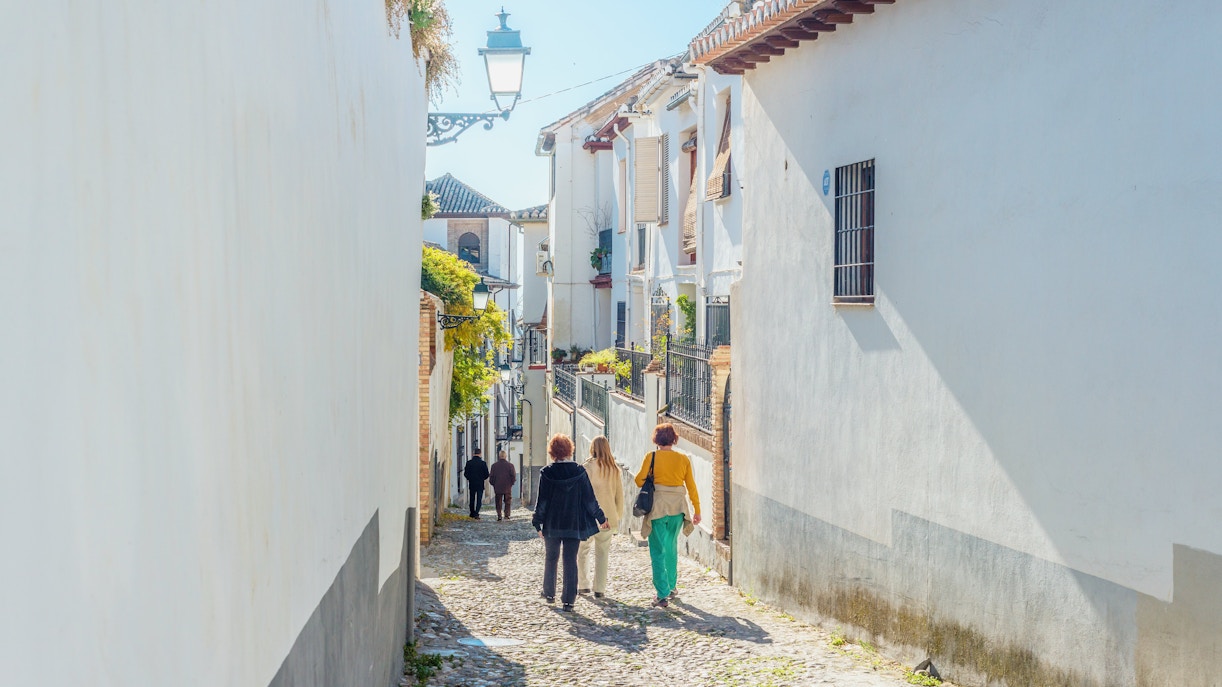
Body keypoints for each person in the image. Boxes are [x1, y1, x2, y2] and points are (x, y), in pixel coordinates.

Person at [532, 434, 609, 612]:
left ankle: (549, 592)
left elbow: (542, 501)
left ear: (552, 452)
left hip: (552, 523)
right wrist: (601, 517)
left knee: (551, 558)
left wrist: (538, 523)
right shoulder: (579, 471)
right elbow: (590, 499)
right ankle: (568, 600)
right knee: (570, 559)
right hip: (573, 523)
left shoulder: (546, 472)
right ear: (569, 450)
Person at [634, 423, 700, 608]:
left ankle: (661, 594)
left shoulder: (652, 457)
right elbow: (691, 486)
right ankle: (671, 587)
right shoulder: (683, 459)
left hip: (658, 508)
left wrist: (651, 476)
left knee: (657, 550)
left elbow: (639, 480)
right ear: (674, 439)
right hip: (678, 508)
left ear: (656, 439)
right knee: (671, 547)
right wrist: (697, 510)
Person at [577, 436, 624, 599]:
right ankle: (600, 588)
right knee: (602, 553)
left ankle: (583, 585)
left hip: (588, 517)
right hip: (609, 517)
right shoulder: (614, 469)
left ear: (593, 448)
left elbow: (581, 494)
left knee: (582, 550)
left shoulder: (586, 467)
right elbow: (620, 496)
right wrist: (617, 516)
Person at [489, 449, 517, 521]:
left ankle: (499, 515)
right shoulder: (510, 465)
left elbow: (491, 477)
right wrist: (511, 483)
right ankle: (507, 515)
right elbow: (513, 476)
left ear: (499, 456)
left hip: (497, 486)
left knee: (498, 501)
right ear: (505, 456)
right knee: (507, 501)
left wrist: (494, 484)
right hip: (507, 486)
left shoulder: (494, 466)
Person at [463, 448, 489, 519]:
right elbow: (487, 474)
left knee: (472, 498)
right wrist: (482, 478)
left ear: (473, 453)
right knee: (479, 499)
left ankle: (472, 512)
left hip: (472, 483)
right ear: (480, 454)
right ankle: (477, 513)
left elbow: (465, 473)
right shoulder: (483, 463)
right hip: (480, 483)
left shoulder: (469, 463)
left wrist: (470, 478)